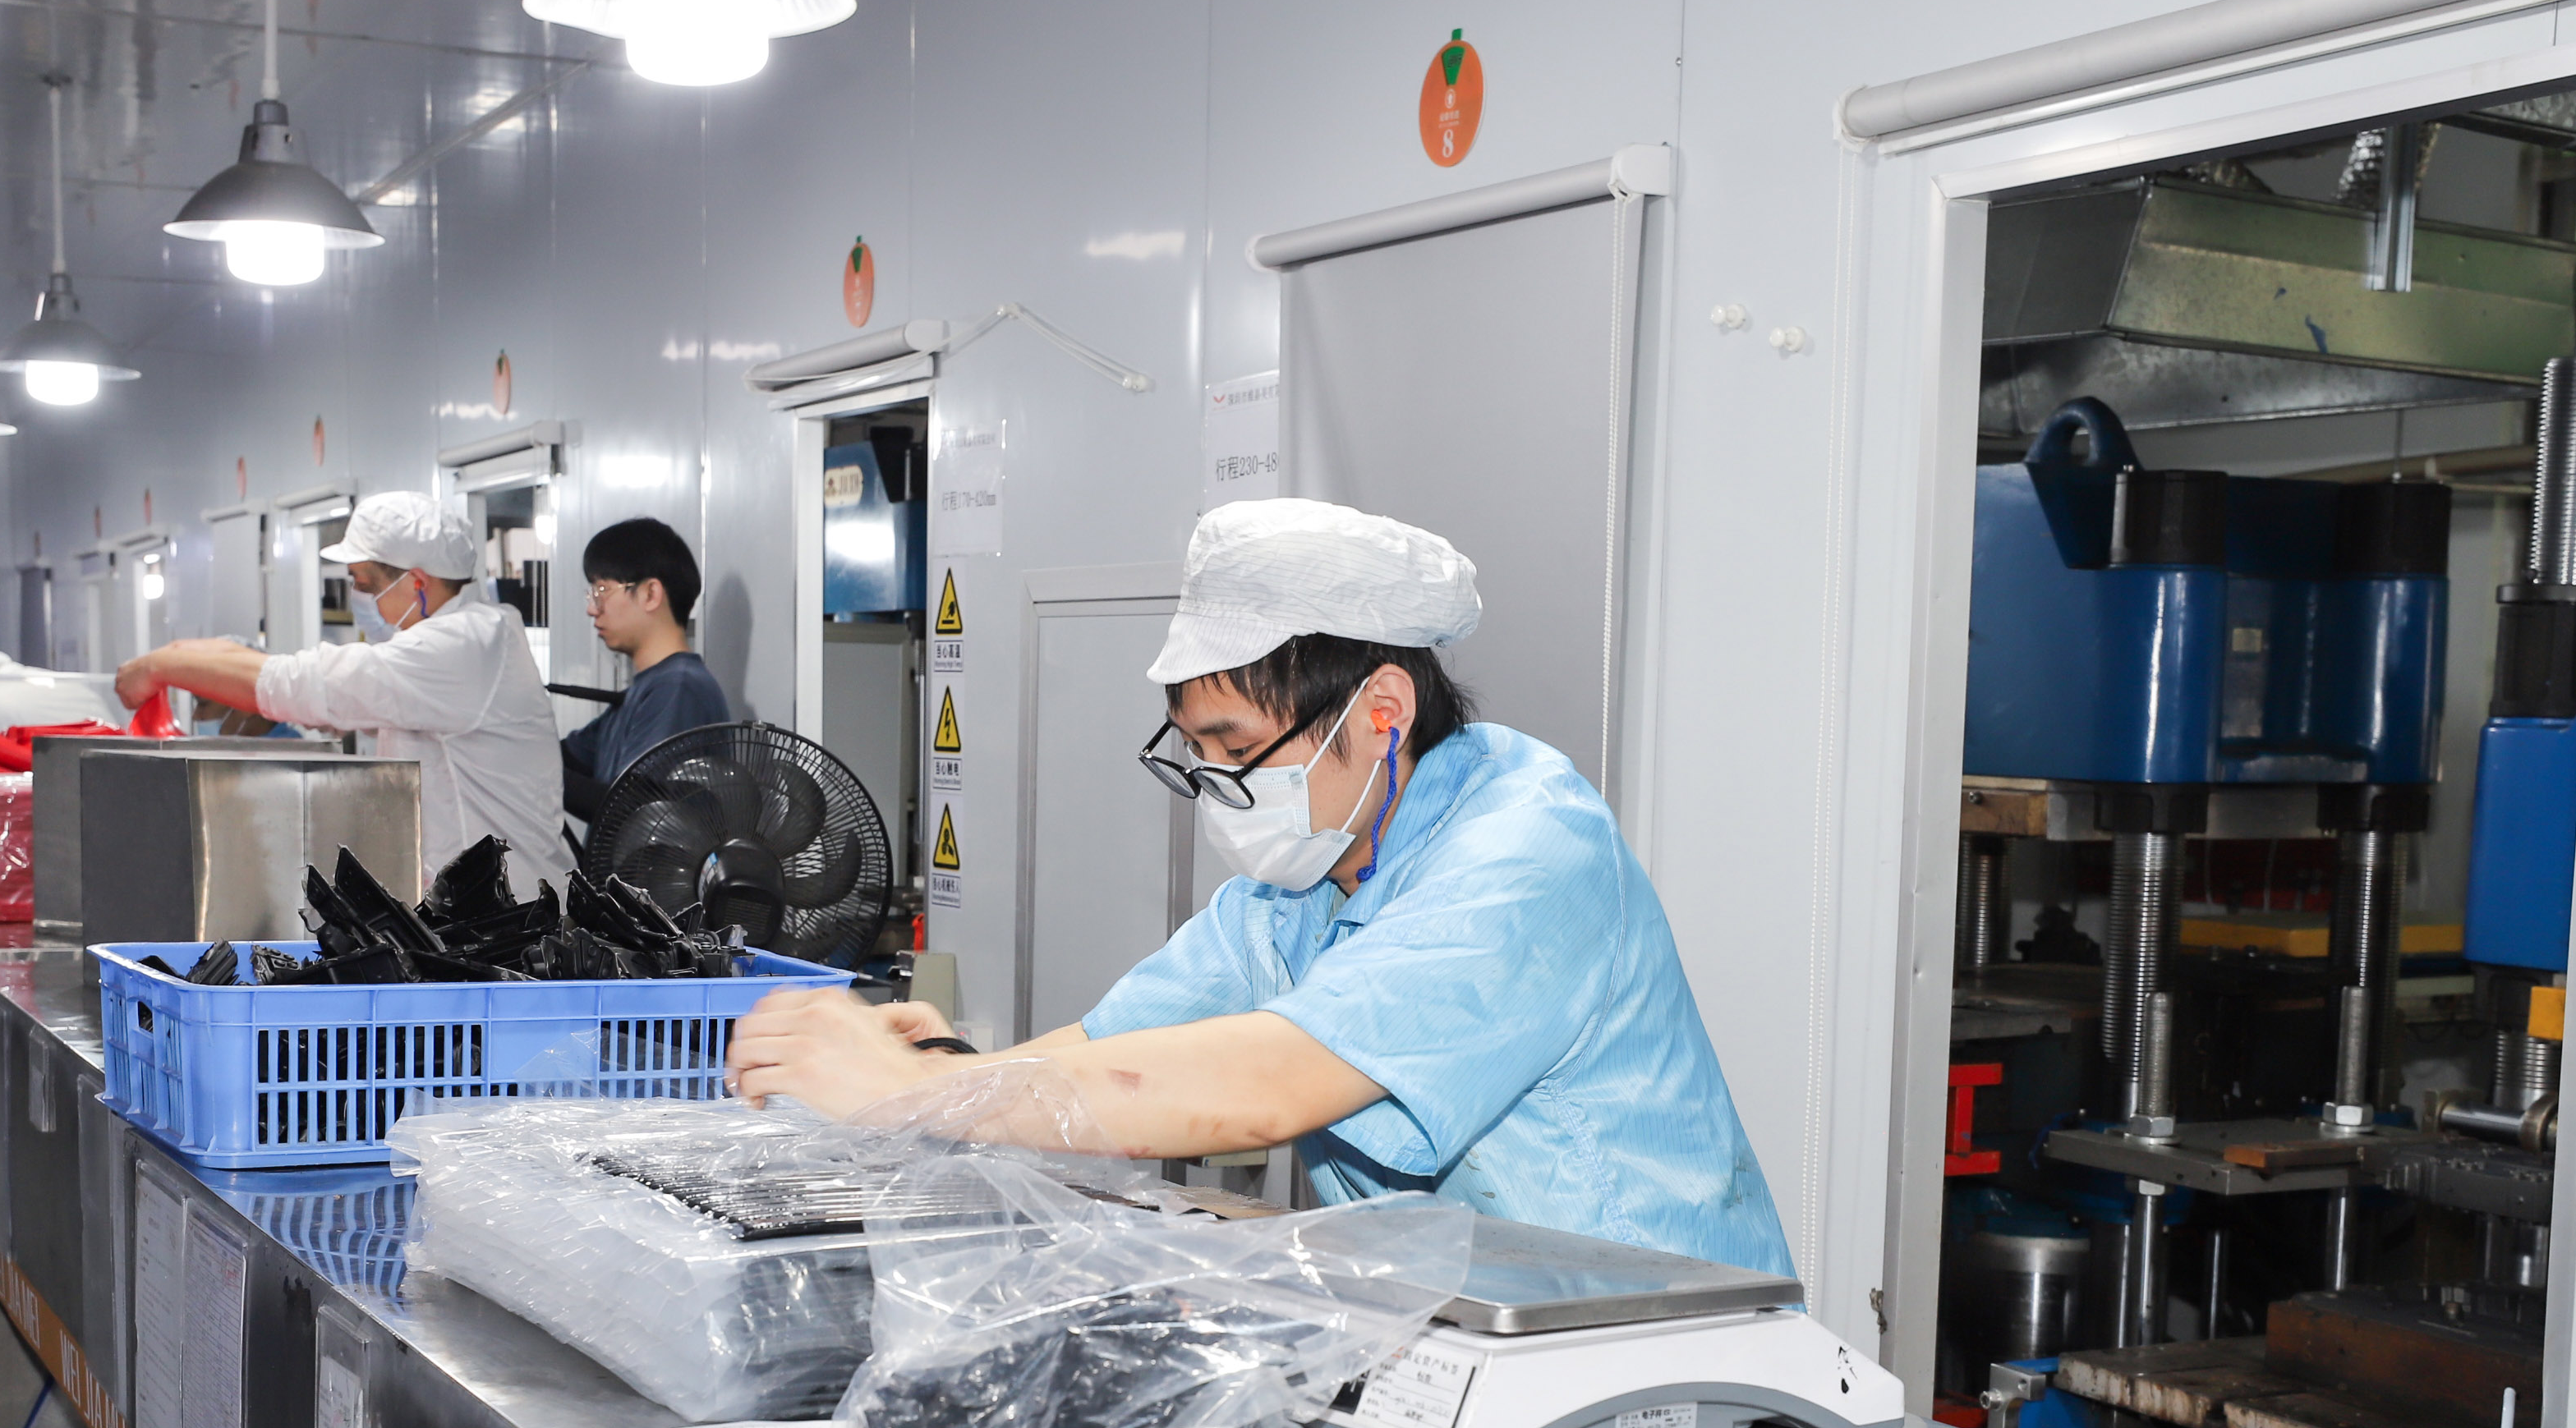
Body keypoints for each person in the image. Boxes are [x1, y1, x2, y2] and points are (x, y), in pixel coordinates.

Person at [725, 498, 1794, 1273]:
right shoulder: (1299, 891)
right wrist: (952, 1071)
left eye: (1236, 749)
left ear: (1380, 710)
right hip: (1473, 1326)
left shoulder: (1527, 853)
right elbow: (1111, 1055)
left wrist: (905, 1095)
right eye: (1196, 754)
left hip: (1652, 1334)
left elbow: (1270, 1084)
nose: (1219, 789)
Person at [115, 491, 567, 894]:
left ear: (417, 582)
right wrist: (180, 656)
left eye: (364, 584)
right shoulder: (459, 638)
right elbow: (314, 684)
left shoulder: (461, 645)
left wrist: (161, 666)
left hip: (510, 917)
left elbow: (302, 683)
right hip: (473, 903)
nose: (357, 597)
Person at [559, 517, 729, 826]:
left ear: (651, 594)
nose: (592, 608)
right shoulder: (647, 689)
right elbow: (563, 758)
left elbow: (633, 809)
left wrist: (533, 774)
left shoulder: (678, 689)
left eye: (602, 590)